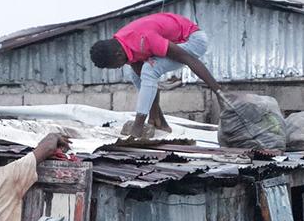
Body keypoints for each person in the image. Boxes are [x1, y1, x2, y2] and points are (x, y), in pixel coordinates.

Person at [89, 12, 223, 139]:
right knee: (137, 75)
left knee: (149, 70)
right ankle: (159, 122)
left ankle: (138, 127)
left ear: (118, 55)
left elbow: (188, 59)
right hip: (175, 41)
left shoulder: (145, 38)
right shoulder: (122, 45)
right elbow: (148, 84)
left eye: (115, 65)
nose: (118, 68)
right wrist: (153, 114)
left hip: (193, 40)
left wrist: (218, 92)